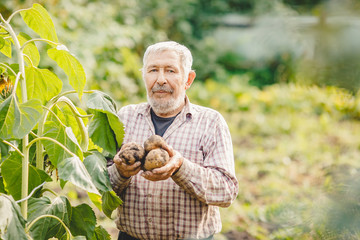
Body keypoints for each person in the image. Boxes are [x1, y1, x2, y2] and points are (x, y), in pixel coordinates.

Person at [107, 41, 239, 240]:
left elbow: (226, 191)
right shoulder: (124, 118)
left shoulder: (211, 123)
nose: (160, 80)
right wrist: (120, 173)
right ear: (144, 76)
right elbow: (99, 184)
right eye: (153, 70)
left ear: (188, 79)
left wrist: (181, 168)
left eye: (170, 71)